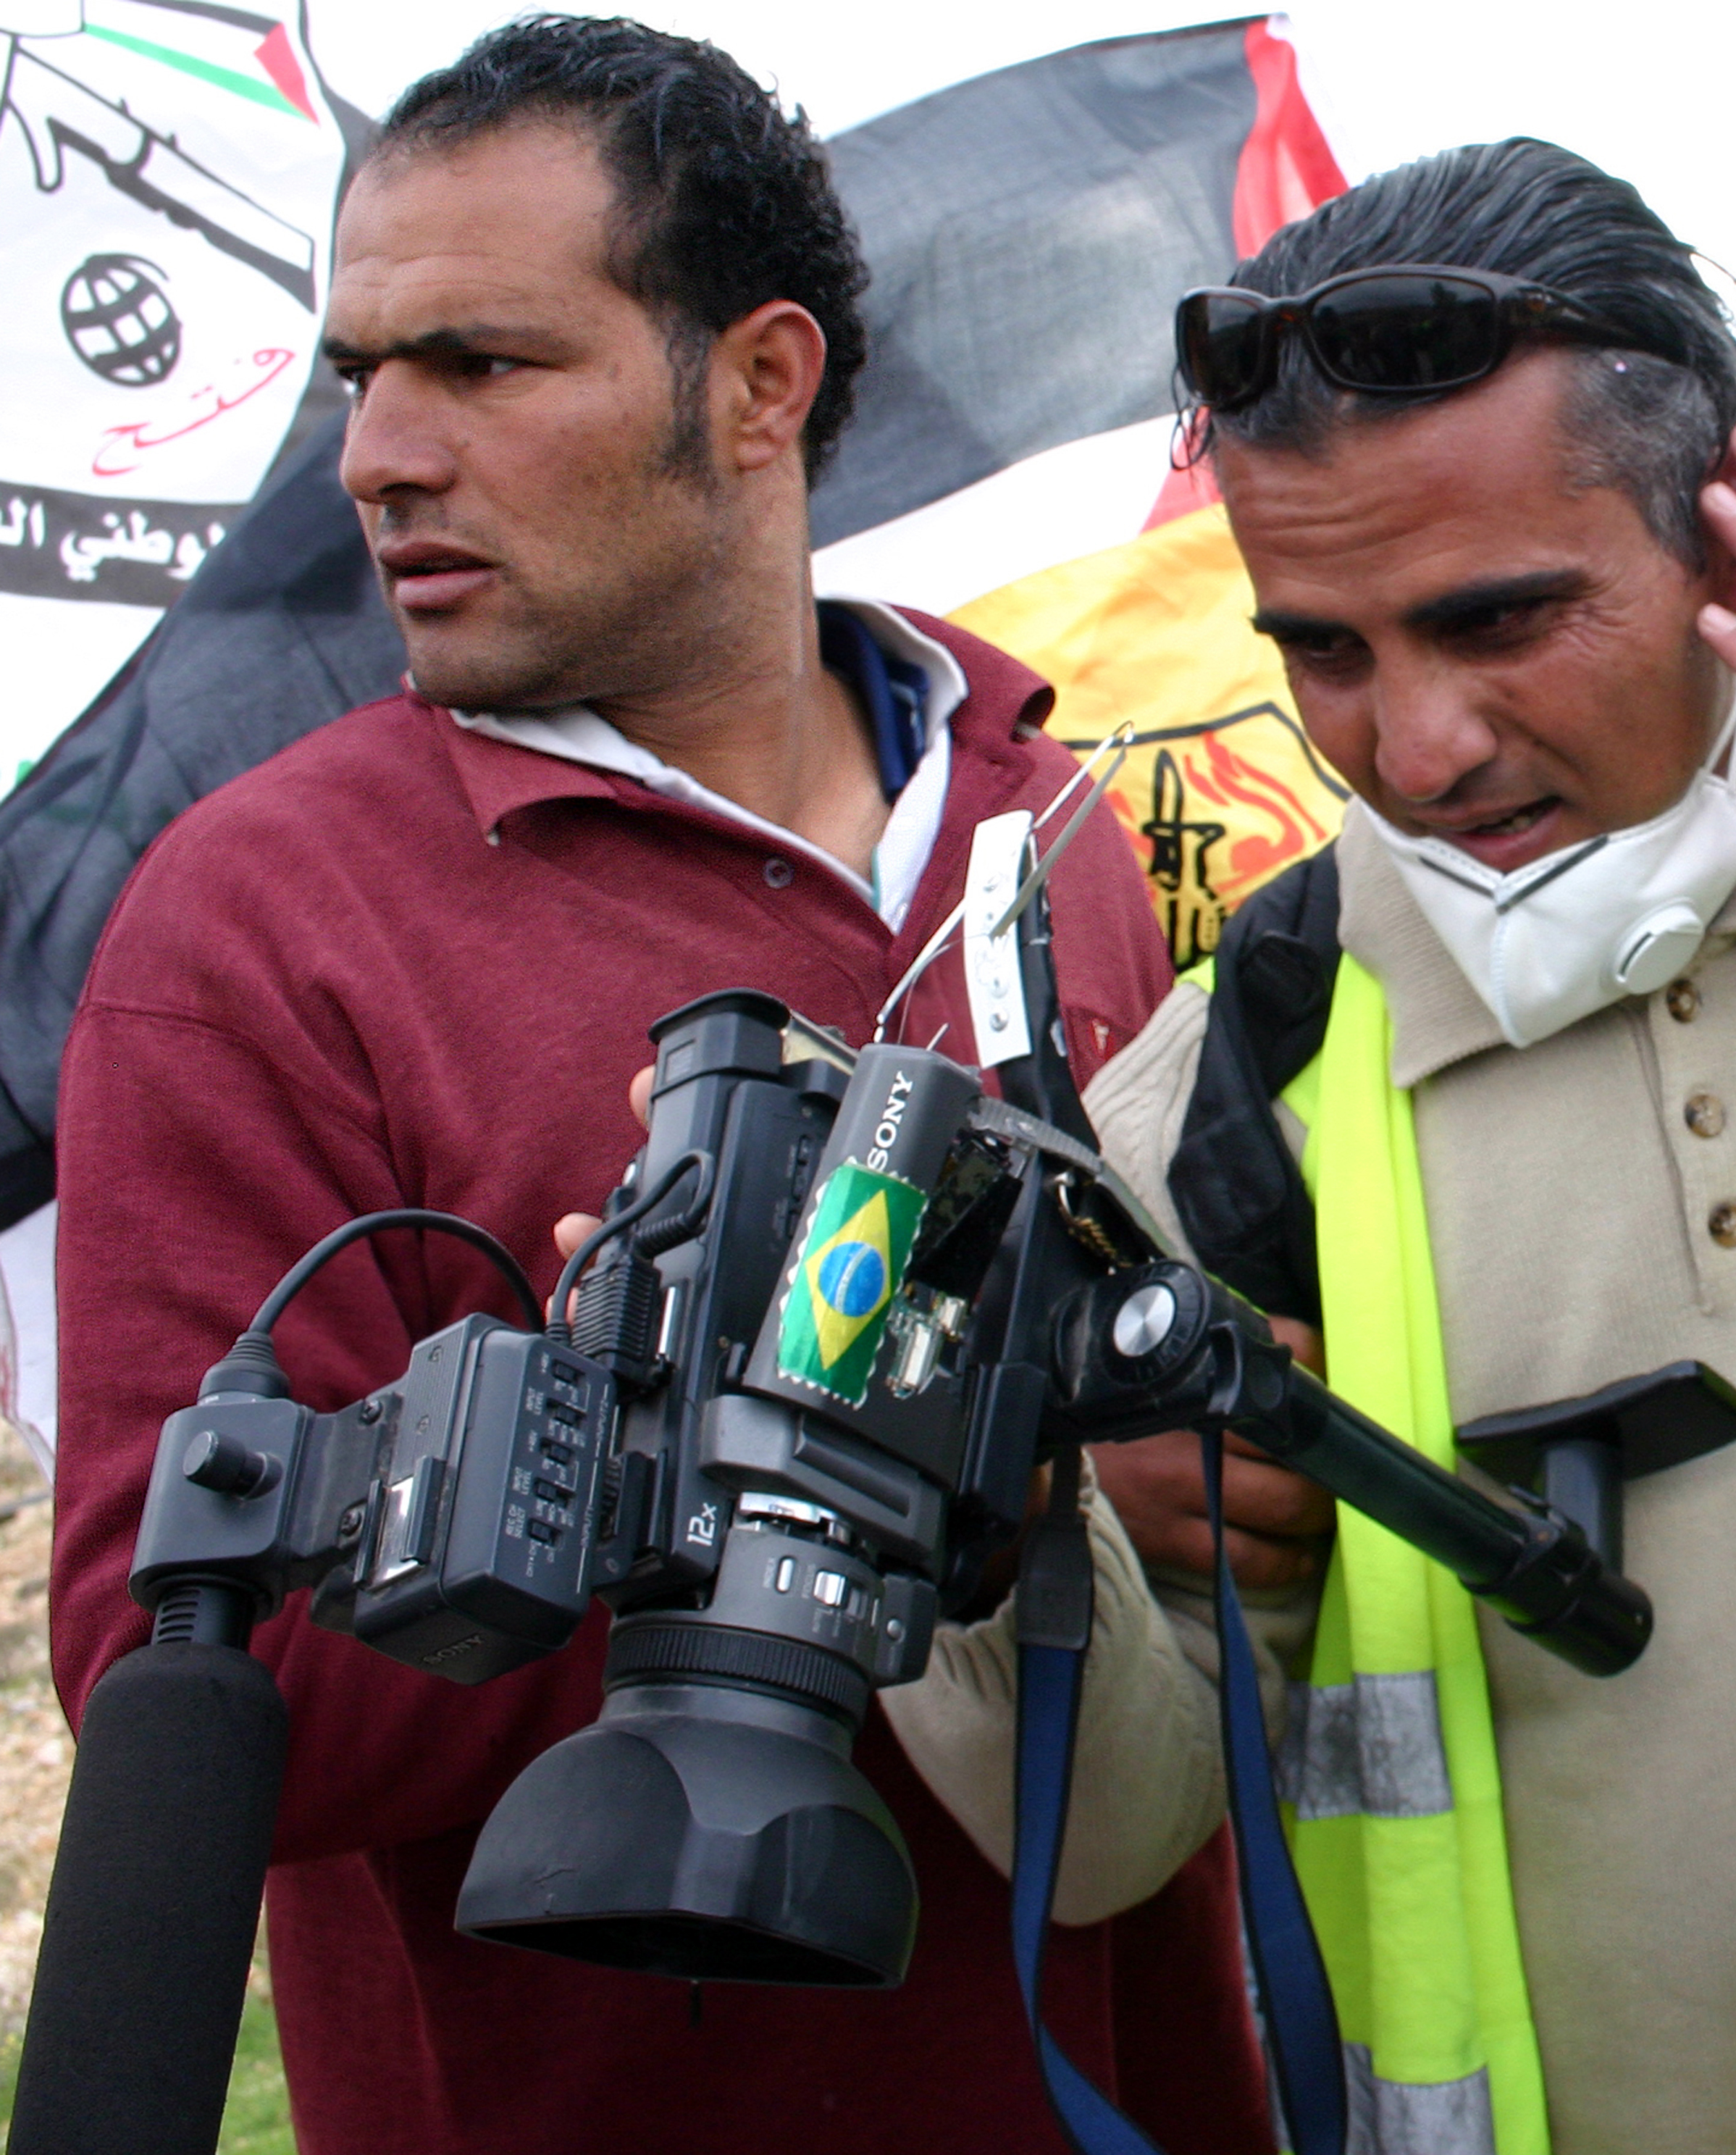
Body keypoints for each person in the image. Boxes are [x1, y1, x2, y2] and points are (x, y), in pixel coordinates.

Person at [46, 20, 1275, 2155]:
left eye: (482, 364)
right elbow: (159, 1665)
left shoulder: (1051, 824)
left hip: (1136, 2084)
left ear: (760, 382)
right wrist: (667, 1460)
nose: (380, 458)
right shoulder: (253, 922)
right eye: (362, 377)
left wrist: (1169, 1462)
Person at [1084, 136, 1736, 2155]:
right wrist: (1056, 1535)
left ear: (1735, 546)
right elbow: (1093, 1849)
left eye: (1500, 618)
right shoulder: (1226, 1077)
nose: (1415, 748)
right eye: (1324, 648)